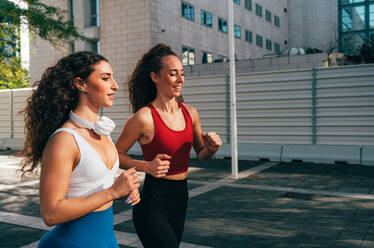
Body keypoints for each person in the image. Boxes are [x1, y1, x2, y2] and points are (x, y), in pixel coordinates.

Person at [18, 51, 140, 248]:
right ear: (81, 84)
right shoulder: (64, 140)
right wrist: (112, 192)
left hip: (107, 241)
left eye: (113, 79)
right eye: (105, 79)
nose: (115, 86)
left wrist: (127, 190)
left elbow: (97, 184)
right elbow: (51, 213)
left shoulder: (103, 131)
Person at [115, 43, 222, 248]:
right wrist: (145, 166)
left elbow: (202, 154)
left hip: (181, 199)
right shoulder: (143, 118)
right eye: (173, 74)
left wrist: (211, 149)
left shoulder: (191, 112)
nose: (180, 79)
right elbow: (114, 155)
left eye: (182, 73)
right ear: (155, 77)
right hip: (153, 203)